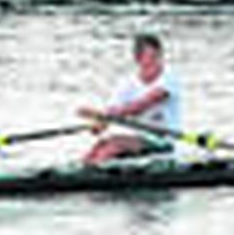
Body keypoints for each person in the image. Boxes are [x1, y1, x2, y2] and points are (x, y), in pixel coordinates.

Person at [78, 33, 183, 166]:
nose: (157, 63)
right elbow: (112, 110)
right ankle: (84, 169)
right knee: (100, 145)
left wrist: (106, 115)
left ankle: (91, 175)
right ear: (138, 59)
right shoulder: (127, 83)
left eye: (158, 57)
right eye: (151, 58)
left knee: (114, 144)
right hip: (138, 139)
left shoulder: (169, 78)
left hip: (162, 141)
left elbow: (142, 105)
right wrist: (100, 124)